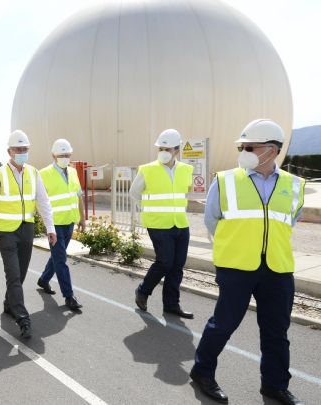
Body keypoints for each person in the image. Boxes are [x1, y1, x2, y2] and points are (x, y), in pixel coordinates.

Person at [190, 119, 306, 405]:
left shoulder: (294, 185)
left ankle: (275, 385)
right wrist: (237, 245)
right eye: (242, 147)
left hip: (277, 268)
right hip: (236, 267)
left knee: (276, 331)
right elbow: (212, 220)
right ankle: (202, 371)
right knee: (224, 324)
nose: (243, 151)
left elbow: (289, 221)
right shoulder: (226, 180)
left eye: (249, 147)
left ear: (271, 150)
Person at [0, 130, 56, 339]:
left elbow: (43, 202)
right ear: (9, 151)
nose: (22, 152)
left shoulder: (34, 173)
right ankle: (23, 319)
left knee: (21, 273)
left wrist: (50, 228)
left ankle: (9, 304)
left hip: (27, 230)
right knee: (13, 274)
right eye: (18, 149)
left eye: (25, 149)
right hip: (6, 232)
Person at [130, 129, 194, 318]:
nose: (163, 152)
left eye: (167, 148)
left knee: (177, 266)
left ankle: (171, 305)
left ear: (177, 149)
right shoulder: (147, 169)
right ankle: (143, 291)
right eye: (161, 148)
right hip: (158, 224)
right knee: (165, 262)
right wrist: (149, 209)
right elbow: (134, 193)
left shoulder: (186, 170)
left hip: (180, 224)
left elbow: (184, 194)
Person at [36, 138, 85, 311]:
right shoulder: (43, 174)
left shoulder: (72, 172)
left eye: (67, 154)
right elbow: (40, 201)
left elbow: (78, 195)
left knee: (58, 255)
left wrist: (82, 218)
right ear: (53, 155)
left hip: (70, 221)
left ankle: (43, 280)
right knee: (61, 259)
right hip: (54, 224)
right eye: (61, 155)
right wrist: (46, 224)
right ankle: (69, 296)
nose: (65, 157)